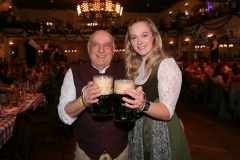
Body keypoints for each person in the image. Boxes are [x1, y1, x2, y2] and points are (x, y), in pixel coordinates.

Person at [123, 17, 191, 160]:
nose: (139, 42)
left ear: (154, 36)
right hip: (139, 133)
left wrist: (143, 104)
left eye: (144, 35)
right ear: (130, 42)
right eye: (134, 37)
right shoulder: (135, 65)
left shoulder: (166, 64)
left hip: (161, 134)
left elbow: (167, 112)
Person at [58, 30, 130, 160]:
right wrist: (83, 101)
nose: (101, 50)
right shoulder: (73, 73)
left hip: (121, 152)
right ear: (88, 48)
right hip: (86, 153)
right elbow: (63, 115)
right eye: (96, 44)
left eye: (107, 45)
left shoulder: (128, 72)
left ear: (114, 49)